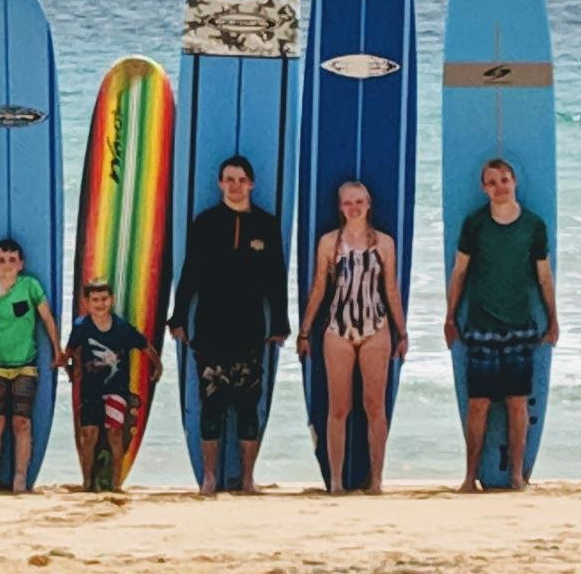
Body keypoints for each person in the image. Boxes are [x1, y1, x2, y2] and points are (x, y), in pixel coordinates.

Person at [168, 154, 290, 494]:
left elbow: (276, 279)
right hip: (210, 327)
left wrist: (280, 322)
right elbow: (190, 273)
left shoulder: (266, 225)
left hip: (250, 327)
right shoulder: (206, 222)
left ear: (251, 184)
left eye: (241, 180)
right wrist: (178, 317)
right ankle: (209, 479)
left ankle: (248, 479)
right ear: (220, 183)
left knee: (249, 405)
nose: (235, 186)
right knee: (212, 404)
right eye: (229, 179)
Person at [445, 158, 559, 492]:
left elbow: (543, 275)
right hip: (480, 324)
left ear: (515, 182)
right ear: (484, 187)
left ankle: (516, 477)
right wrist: (450, 316)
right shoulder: (475, 224)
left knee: (516, 402)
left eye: (505, 180)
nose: (500, 187)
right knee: (478, 403)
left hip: (520, 325)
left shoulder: (533, 225)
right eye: (492, 182)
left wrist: (553, 318)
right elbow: (460, 271)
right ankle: (469, 478)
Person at [296, 181, 409, 494]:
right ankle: (335, 482)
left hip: (376, 327)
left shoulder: (384, 243)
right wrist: (304, 331)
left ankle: (376, 481)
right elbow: (319, 288)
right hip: (338, 329)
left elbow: (390, 291)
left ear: (369, 203)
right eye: (348, 203)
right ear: (340, 206)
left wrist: (402, 331)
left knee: (375, 407)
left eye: (359, 201)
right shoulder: (329, 242)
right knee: (338, 409)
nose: (354, 208)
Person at [0, 238, 64, 493]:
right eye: (2, 260)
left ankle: (19, 479)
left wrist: (57, 350)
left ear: (21, 264)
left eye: (12, 260)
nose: (7, 265)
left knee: (21, 422)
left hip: (25, 365)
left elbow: (47, 318)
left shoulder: (30, 286)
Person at [66, 279, 161, 492]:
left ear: (112, 300)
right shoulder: (82, 326)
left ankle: (117, 484)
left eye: (104, 299)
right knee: (89, 435)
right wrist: (71, 373)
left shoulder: (121, 327)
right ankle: (87, 482)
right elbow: (69, 352)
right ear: (87, 303)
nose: (100, 304)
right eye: (95, 300)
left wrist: (158, 366)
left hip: (116, 390)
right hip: (90, 391)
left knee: (115, 434)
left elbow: (145, 347)